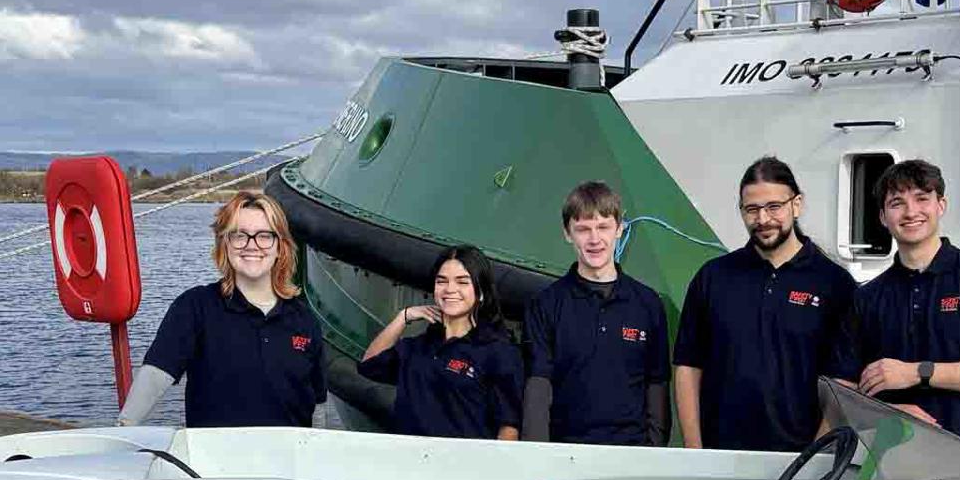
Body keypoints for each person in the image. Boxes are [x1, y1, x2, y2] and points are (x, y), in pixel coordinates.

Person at [834, 159, 960, 452]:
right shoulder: (868, 297)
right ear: (883, 217)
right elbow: (843, 389)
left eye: (922, 198)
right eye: (897, 203)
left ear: (941, 205)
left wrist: (917, 372)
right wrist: (889, 415)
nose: (911, 212)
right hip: (893, 463)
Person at [673, 157, 856, 451]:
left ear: (796, 205)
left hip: (799, 458)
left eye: (774, 207)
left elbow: (844, 382)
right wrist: (695, 449)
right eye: (752, 209)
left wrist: (816, 456)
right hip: (720, 456)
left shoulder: (834, 284)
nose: (763, 219)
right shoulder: (713, 277)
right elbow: (688, 367)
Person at [117, 191, 327, 427]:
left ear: (281, 247)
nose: (252, 245)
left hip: (288, 460)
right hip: (212, 461)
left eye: (265, 236)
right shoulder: (195, 307)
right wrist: (124, 427)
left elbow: (317, 406)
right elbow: (156, 374)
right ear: (224, 244)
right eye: (239, 235)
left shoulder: (304, 320)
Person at [522, 181, 670, 445]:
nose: (594, 239)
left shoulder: (647, 303)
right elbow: (538, 385)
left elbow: (656, 386)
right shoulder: (545, 304)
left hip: (633, 453)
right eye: (583, 229)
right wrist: (539, 456)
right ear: (567, 233)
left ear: (619, 230)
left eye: (603, 227)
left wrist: (654, 450)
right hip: (566, 452)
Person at [356, 245, 524, 440]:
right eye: (441, 281)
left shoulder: (498, 352)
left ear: (481, 293)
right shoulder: (416, 348)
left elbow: (509, 426)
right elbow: (368, 365)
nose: (450, 289)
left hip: (463, 466)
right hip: (410, 463)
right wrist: (403, 317)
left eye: (462, 282)